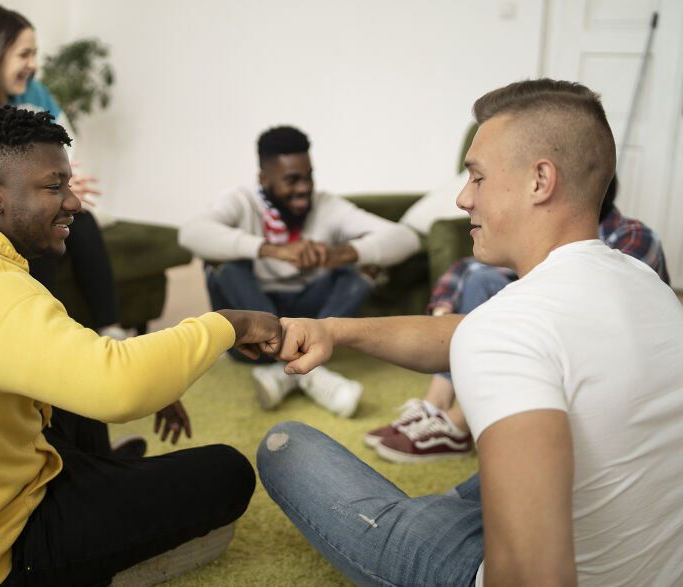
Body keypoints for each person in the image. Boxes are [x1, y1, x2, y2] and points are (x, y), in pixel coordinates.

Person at [258, 79, 683, 585]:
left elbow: (534, 576)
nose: (462, 198)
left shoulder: (508, 331)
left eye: (477, 177)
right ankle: (441, 515)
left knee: (286, 446)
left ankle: (425, 522)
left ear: (540, 180)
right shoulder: (645, 282)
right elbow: (470, 332)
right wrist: (333, 331)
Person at [0, 106, 281, 586]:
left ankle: (102, 473)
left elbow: (89, 366)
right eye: (54, 187)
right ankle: (103, 499)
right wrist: (229, 324)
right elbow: (120, 387)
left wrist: (160, 371)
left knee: (73, 372)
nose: (73, 202)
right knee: (226, 472)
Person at [366, 174, 672, 463]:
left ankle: (461, 422)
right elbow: (470, 267)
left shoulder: (632, 237)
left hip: (601, 360)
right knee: (482, 280)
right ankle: (436, 405)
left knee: (527, 309)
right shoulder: (548, 234)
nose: (466, 199)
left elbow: (583, 308)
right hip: (556, 326)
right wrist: (443, 313)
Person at [179, 125, 420, 417]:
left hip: (309, 317)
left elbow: (407, 238)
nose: (304, 188)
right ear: (263, 179)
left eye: (308, 177)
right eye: (292, 180)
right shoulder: (240, 201)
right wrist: (270, 249)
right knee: (221, 260)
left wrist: (341, 253)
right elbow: (190, 234)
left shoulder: (326, 206)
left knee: (364, 265)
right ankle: (307, 368)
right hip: (251, 332)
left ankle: (286, 372)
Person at [0, 4, 124, 338]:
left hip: (44, 198)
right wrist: (54, 191)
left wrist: (63, 185)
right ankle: (42, 336)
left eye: (35, 54)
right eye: (24, 54)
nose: (33, 64)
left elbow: (67, 143)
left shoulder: (36, 92)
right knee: (40, 227)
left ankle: (110, 329)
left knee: (81, 219)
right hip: (5, 211)